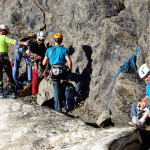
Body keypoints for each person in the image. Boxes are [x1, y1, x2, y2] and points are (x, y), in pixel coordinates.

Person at [43, 33, 82, 112]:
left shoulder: (49, 50)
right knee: (79, 78)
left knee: (56, 90)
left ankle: (58, 109)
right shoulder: (64, 50)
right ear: (61, 40)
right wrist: (69, 71)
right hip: (63, 71)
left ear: (54, 40)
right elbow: (69, 62)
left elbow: (44, 63)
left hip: (54, 72)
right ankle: (76, 95)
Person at [0, 24, 29, 98]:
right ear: (3, 31)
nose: (6, 33)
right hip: (5, 59)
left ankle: (1, 93)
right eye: (6, 31)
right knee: (10, 75)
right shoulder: (3, 37)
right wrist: (24, 43)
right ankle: (14, 92)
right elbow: (13, 41)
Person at [130, 63, 150, 128]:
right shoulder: (149, 84)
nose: (146, 80)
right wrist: (142, 101)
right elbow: (147, 97)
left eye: (146, 77)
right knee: (134, 105)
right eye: (144, 78)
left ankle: (141, 122)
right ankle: (134, 123)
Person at [27, 31, 46, 97]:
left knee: (46, 73)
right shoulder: (32, 43)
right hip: (35, 62)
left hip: (41, 61)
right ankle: (34, 92)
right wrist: (36, 55)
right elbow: (28, 52)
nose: (41, 42)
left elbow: (44, 50)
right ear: (37, 38)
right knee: (35, 77)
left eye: (42, 41)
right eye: (40, 40)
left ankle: (44, 88)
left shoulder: (42, 44)